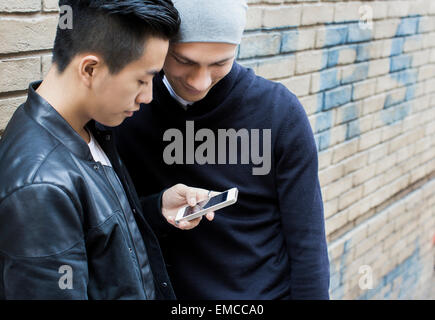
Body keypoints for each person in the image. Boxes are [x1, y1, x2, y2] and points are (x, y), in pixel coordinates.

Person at [115, 0, 330, 299]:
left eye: (220, 63)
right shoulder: (127, 112)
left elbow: (307, 243)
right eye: (184, 60)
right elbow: (114, 224)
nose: (199, 82)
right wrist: (156, 208)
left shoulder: (279, 113)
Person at [0, 0, 214, 300]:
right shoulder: (40, 187)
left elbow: (97, 240)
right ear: (90, 69)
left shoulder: (91, 126)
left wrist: (155, 209)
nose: (148, 96)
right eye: (142, 79)